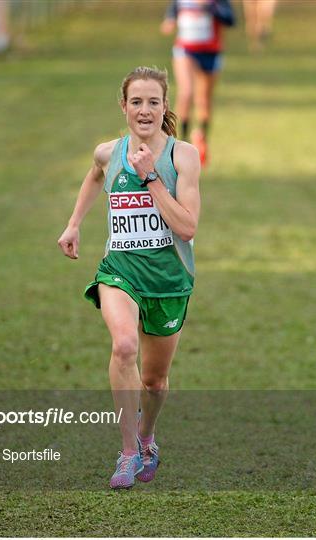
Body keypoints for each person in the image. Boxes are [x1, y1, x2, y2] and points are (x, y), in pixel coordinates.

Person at [58, 66, 201, 489]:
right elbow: (95, 175)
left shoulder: (182, 156)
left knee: (155, 382)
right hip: (119, 270)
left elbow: (188, 227)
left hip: (168, 280)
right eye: (136, 101)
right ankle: (126, 454)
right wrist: (74, 223)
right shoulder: (108, 151)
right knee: (123, 347)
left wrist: (150, 178)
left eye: (153, 101)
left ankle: (146, 437)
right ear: (123, 106)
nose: (144, 110)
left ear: (165, 106)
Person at [160, 0, 235, 166]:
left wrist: (212, 9)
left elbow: (230, 20)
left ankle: (202, 139)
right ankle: (180, 144)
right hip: (186, 50)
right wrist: (170, 21)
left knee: (204, 100)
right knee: (186, 93)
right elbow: (173, 13)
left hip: (211, 53)